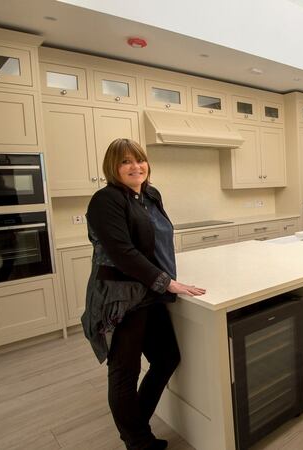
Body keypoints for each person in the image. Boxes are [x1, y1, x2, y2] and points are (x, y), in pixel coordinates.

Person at [81, 138, 205, 450]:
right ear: (114, 167)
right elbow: (123, 253)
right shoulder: (105, 200)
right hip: (121, 296)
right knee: (125, 370)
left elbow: (157, 242)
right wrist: (169, 283)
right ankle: (138, 440)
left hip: (150, 290)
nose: (136, 167)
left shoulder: (150, 194)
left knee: (166, 358)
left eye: (139, 160)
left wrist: (167, 279)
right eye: (126, 162)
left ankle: (136, 427)